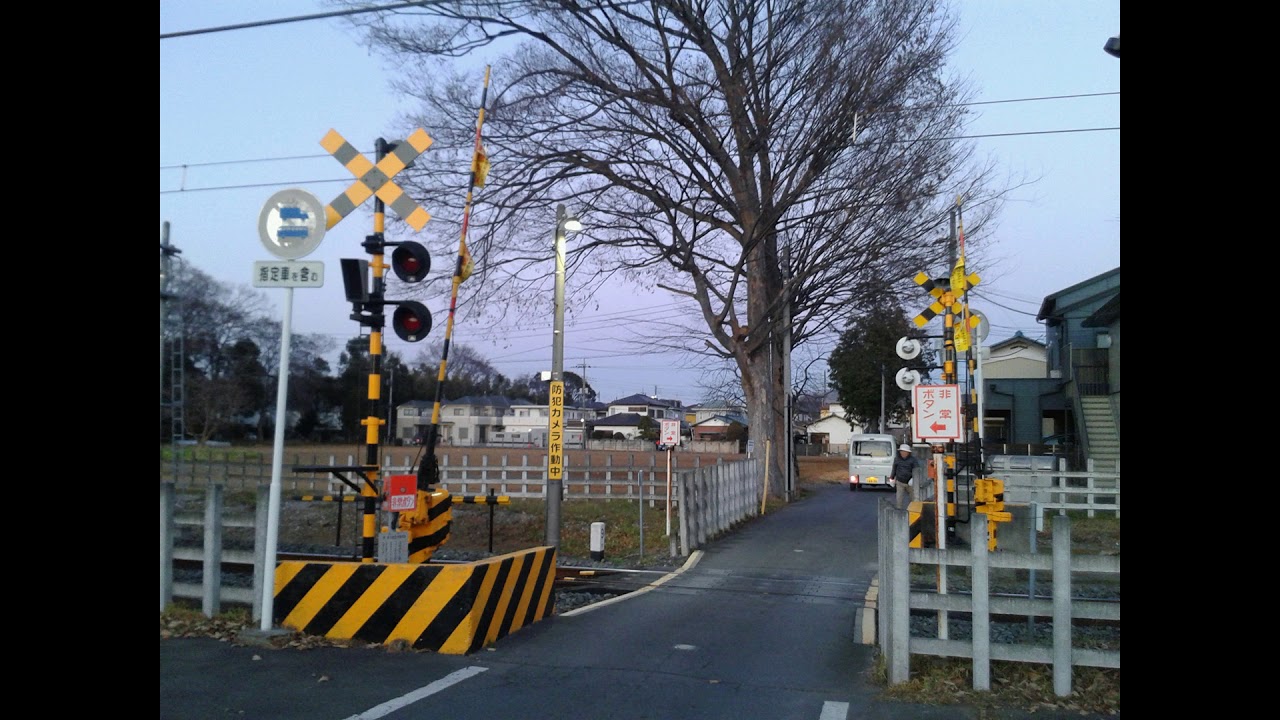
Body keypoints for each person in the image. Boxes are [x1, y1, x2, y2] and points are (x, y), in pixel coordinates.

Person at [890, 443, 920, 509]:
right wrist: (892, 478)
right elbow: (894, 469)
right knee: (899, 498)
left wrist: (913, 479)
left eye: (904, 452)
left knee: (913, 498)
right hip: (900, 482)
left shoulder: (913, 460)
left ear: (908, 452)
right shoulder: (897, 459)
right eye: (901, 451)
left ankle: (912, 510)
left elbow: (917, 470)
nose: (903, 453)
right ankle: (899, 511)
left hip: (910, 483)